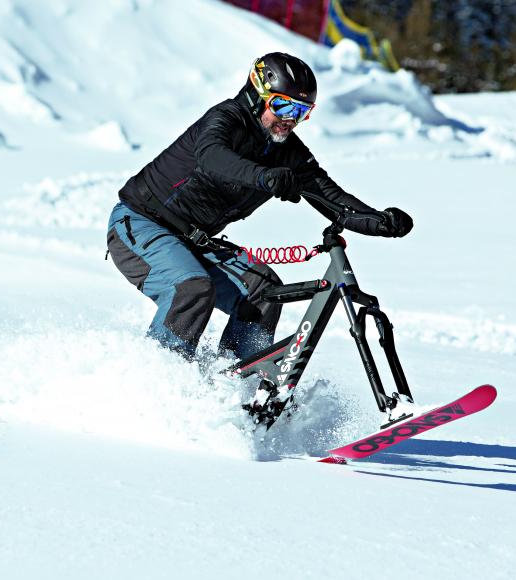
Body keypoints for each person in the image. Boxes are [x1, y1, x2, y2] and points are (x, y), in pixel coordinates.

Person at [106, 52, 412, 363]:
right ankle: (159, 380)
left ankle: (234, 389)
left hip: (195, 241)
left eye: (302, 110)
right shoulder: (225, 119)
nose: (291, 119)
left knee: (263, 291)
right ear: (257, 94)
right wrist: (263, 177)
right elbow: (212, 157)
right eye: (283, 106)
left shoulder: (286, 150)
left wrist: (379, 222)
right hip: (141, 223)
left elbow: (330, 197)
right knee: (191, 288)